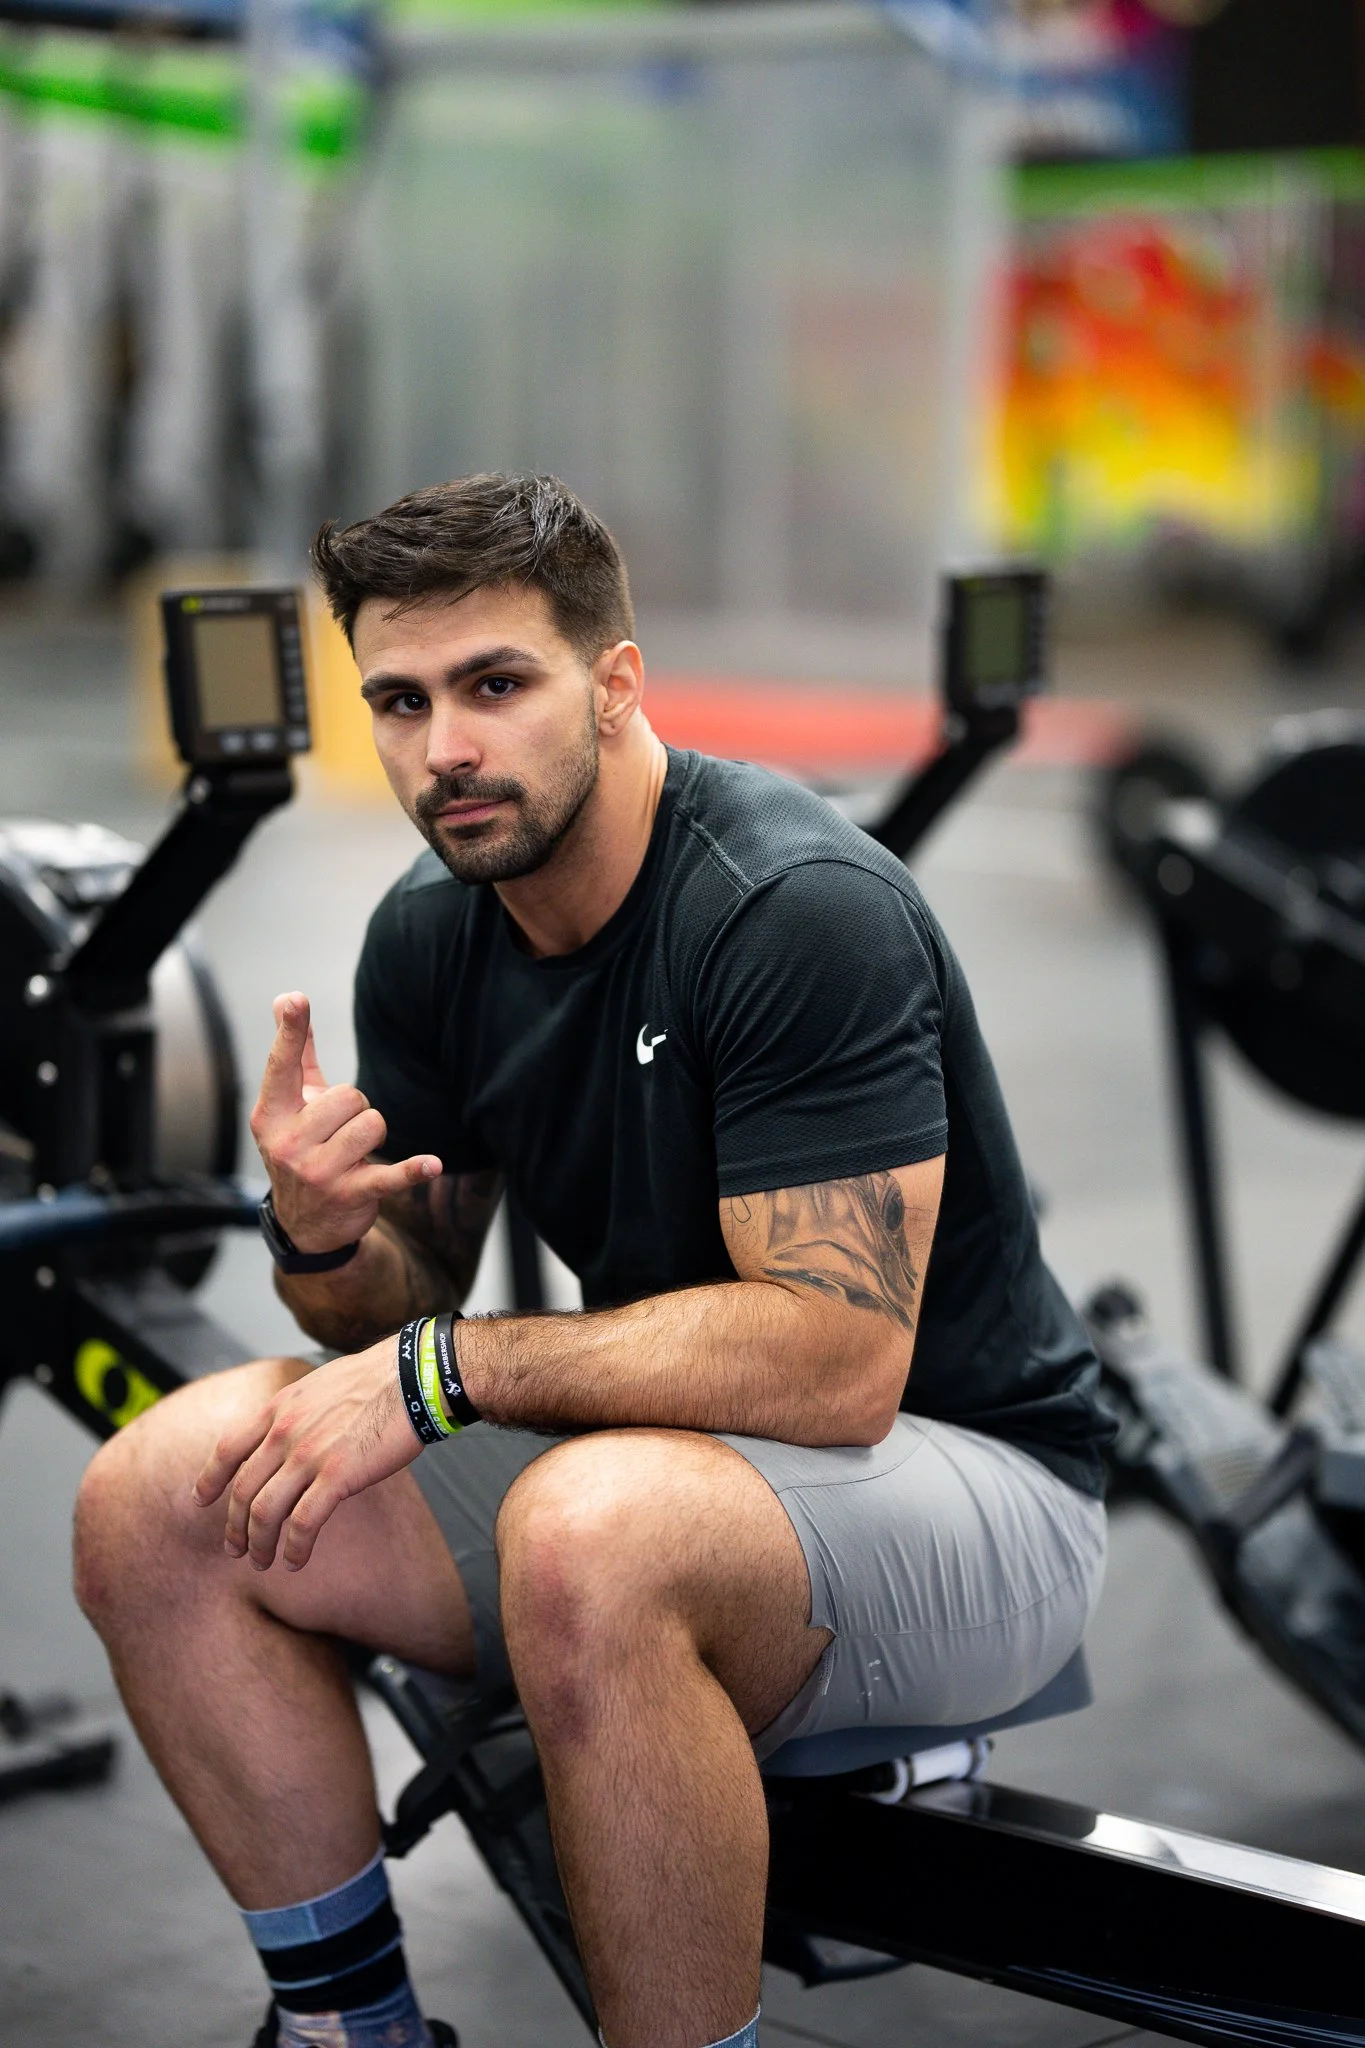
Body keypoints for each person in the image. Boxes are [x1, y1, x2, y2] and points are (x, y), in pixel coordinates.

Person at [74, 472, 1111, 2048]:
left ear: (618, 683)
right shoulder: (434, 930)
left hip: (977, 1486)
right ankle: (352, 2026)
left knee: (588, 1528)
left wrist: (442, 1372)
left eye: (497, 684)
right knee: (162, 1497)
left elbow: (839, 1366)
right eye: (402, 702)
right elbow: (404, 1310)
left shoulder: (790, 909)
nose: (447, 750)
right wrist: (322, 1230)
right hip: (661, 1464)